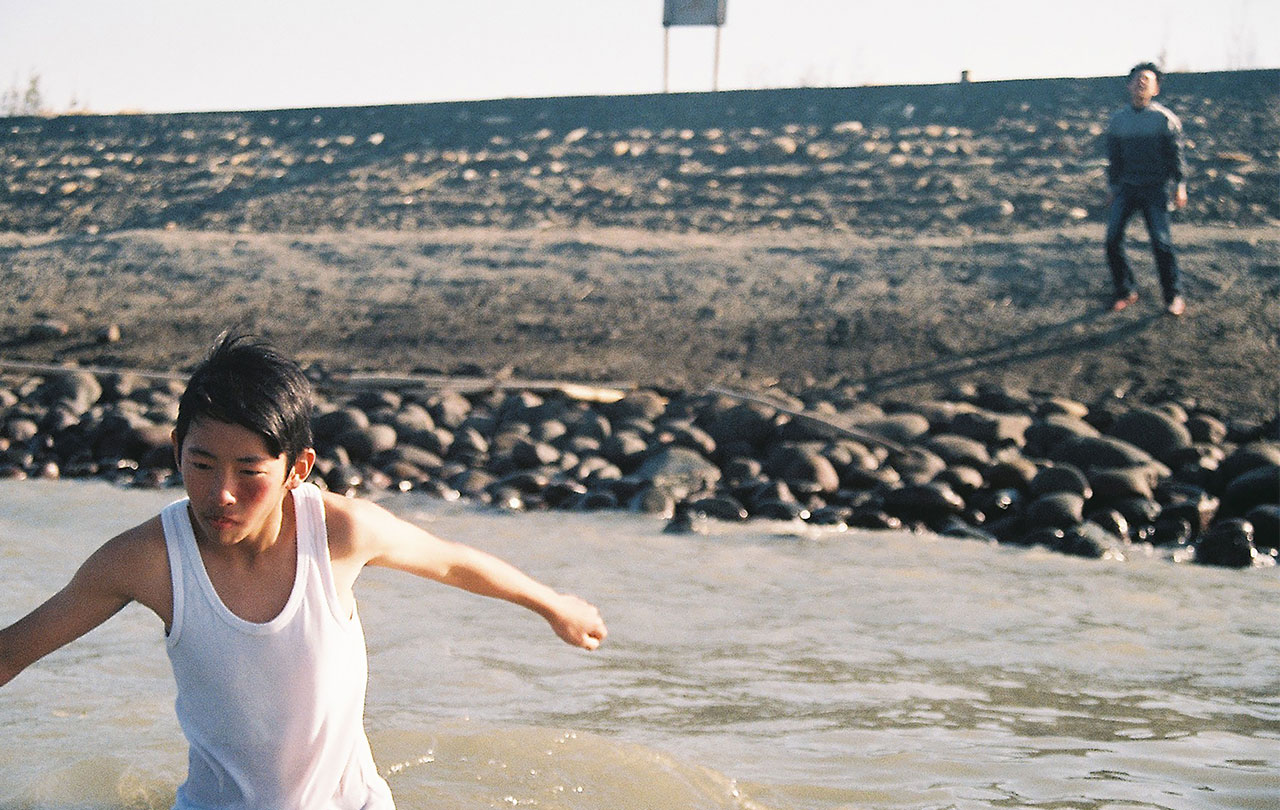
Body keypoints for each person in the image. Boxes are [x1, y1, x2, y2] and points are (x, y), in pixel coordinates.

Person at [0, 334, 608, 809]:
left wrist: (553, 604)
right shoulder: (149, 559)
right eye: (201, 465)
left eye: (250, 472)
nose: (221, 494)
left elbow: (452, 561)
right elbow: (12, 652)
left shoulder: (339, 533)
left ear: (297, 468)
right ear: (177, 447)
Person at [1104, 61, 1189, 316]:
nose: (1141, 83)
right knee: (1112, 240)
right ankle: (1125, 291)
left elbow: (1176, 157)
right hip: (1127, 189)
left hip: (1155, 189)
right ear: (1129, 85)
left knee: (1161, 243)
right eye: (1137, 79)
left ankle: (1173, 296)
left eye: (1147, 80)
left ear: (1156, 89)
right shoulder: (1118, 121)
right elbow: (1114, 159)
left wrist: (1180, 186)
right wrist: (1112, 187)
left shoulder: (1164, 120)